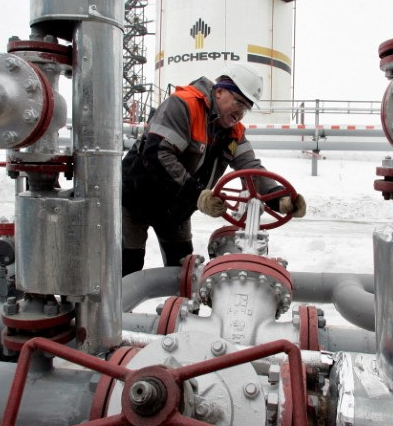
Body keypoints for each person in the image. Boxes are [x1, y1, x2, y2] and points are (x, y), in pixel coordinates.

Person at [121, 63, 307, 275]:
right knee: (129, 268)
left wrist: (277, 198)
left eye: (246, 108)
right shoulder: (184, 105)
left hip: (175, 210)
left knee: (183, 273)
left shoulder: (233, 133)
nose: (240, 113)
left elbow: (252, 169)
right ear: (219, 92)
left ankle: (181, 308)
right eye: (238, 102)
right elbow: (157, 155)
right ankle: (118, 307)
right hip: (136, 200)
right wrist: (198, 194)